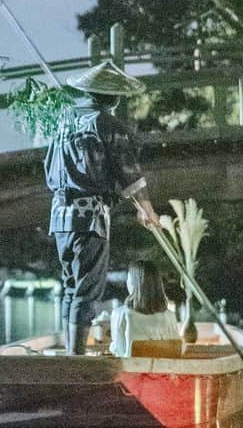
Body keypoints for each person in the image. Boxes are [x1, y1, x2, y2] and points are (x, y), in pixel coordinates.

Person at [44, 60, 160, 354]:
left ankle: (72, 351)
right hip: (89, 217)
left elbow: (49, 168)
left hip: (59, 217)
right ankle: (76, 355)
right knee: (88, 286)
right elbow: (129, 172)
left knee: (71, 284)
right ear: (115, 97)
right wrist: (146, 209)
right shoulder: (110, 126)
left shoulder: (64, 121)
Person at [109, 261, 180, 356]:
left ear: (133, 284)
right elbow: (176, 350)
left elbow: (119, 351)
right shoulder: (170, 316)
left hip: (132, 369)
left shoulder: (121, 314)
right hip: (165, 370)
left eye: (128, 279)